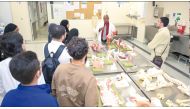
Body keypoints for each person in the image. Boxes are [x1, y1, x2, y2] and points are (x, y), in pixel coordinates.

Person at [52, 37, 99, 107]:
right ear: (86, 54)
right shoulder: (89, 78)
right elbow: (91, 105)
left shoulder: (59, 68)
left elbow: (54, 92)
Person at [0, 32, 45, 104]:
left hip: (11, 100)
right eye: (23, 42)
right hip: (34, 100)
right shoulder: (32, 61)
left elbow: (1, 90)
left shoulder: (1, 65)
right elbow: (41, 84)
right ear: (20, 45)